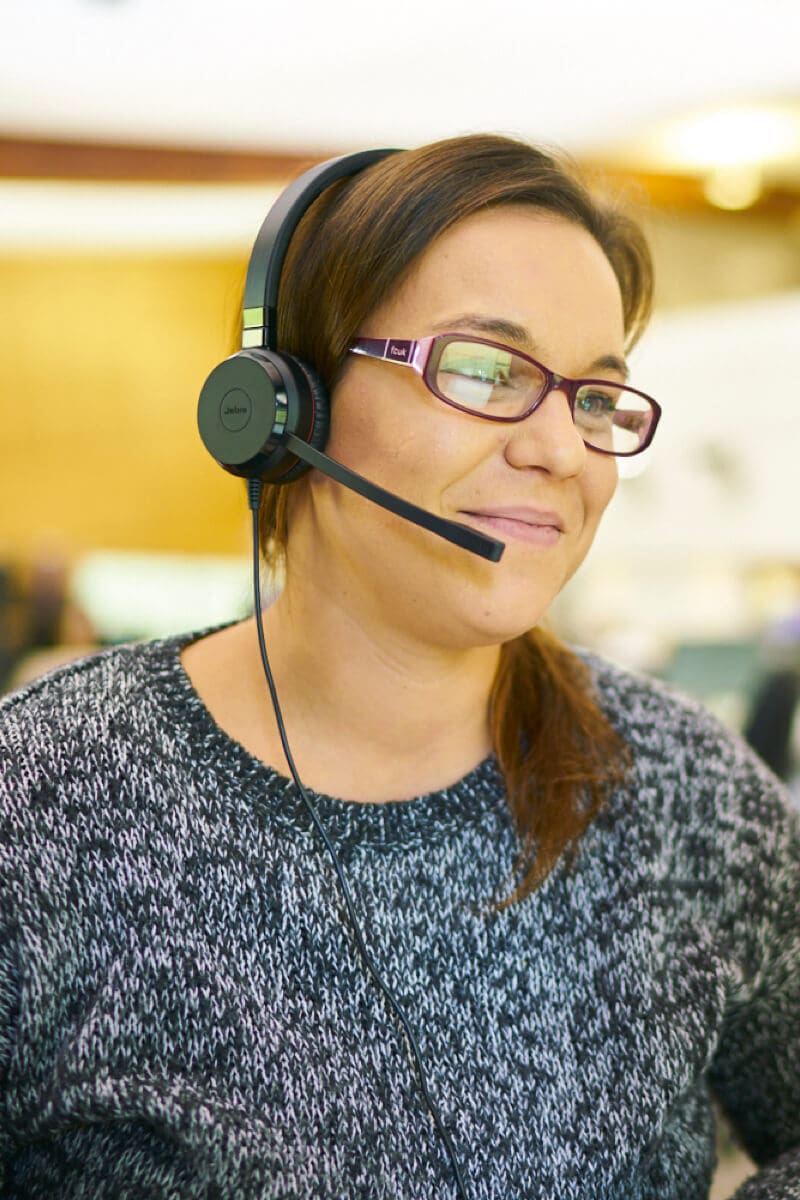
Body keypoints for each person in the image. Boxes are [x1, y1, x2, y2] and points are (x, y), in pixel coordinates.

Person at [0, 135, 798, 1200]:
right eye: (483, 370)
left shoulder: (681, 791)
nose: (561, 450)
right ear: (288, 407)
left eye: (594, 397)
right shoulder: (48, 798)